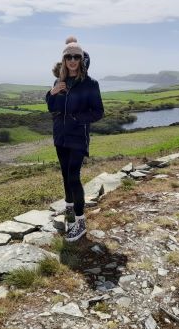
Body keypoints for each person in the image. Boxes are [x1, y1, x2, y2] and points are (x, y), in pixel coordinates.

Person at [46, 37, 104, 242]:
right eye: (68, 57)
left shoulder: (90, 84)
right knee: (64, 174)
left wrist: (78, 118)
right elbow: (52, 107)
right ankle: (69, 207)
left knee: (73, 176)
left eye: (76, 56)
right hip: (60, 136)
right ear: (63, 60)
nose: (72, 60)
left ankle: (80, 222)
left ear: (81, 59)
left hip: (78, 137)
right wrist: (51, 94)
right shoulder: (58, 82)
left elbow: (98, 112)